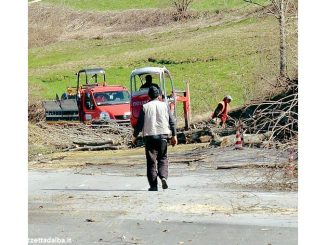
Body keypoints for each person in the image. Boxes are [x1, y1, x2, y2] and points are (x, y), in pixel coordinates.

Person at [132, 86, 178, 191]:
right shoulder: (165, 106)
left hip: (149, 136)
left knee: (151, 161)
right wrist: (174, 135)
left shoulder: (145, 107)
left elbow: (139, 125)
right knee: (162, 158)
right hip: (163, 136)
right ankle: (163, 177)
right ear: (158, 95)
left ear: (149, 95)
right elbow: (172, 122)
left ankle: (153, 186)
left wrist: (134, 137)